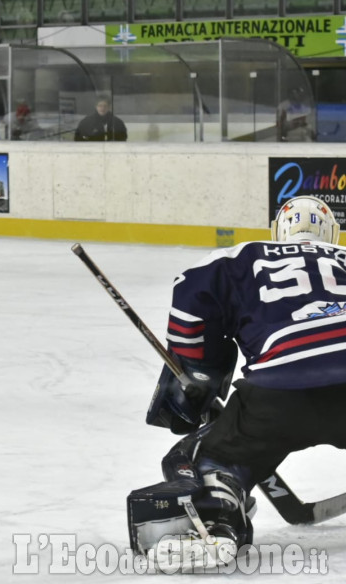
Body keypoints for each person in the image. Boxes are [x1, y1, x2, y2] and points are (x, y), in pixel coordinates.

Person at [127, 195, 346, 569]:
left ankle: (217, 515)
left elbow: (189, 305)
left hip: (281, 393)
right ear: (334, 235)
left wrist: (198, 377)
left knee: (201, 457)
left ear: (278, 233)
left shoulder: (241, 256)